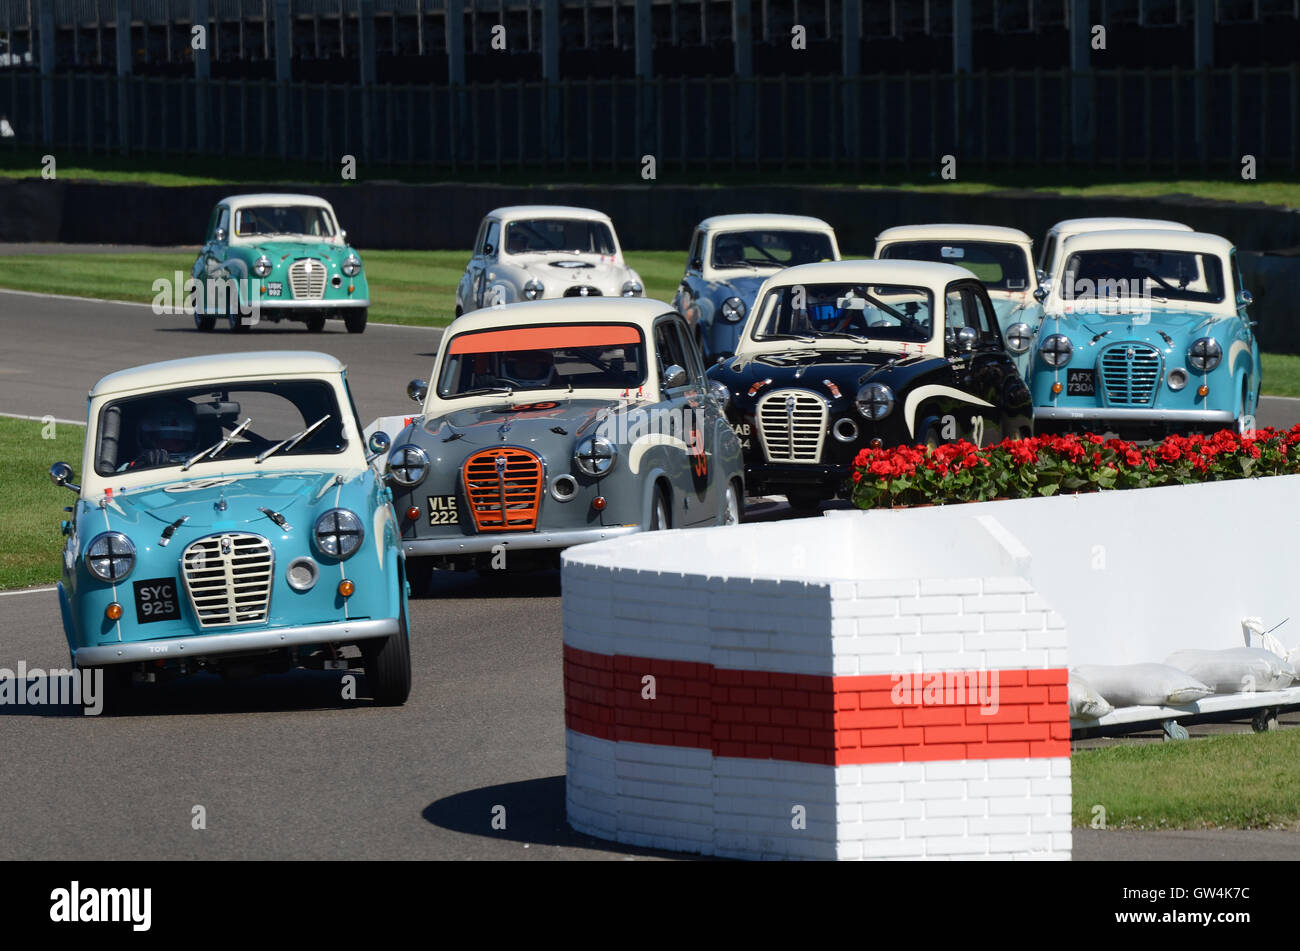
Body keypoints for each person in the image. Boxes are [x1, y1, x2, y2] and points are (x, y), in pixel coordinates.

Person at [129, 403, 200, 469]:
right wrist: (139, 466)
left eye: (177, 442)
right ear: (148, 442)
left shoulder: (201, 466)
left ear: (190, 443)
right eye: (162, 442)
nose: (171, 447)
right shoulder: (132, 469)